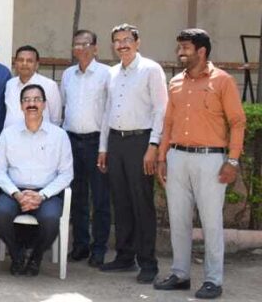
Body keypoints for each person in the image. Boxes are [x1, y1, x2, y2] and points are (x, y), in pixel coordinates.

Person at [154, 29, 246, 300]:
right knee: (178, 219)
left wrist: (232, 160)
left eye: (185, 48)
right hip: (177, 158)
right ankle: (180, 274)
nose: (180, 52)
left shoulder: (223, 81)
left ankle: (213, 280)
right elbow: (168, 123)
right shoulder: (175, 82)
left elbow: (237, 122)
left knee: (211, 222)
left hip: (211, 160)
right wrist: (162, 157)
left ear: (201, 51)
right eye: (179, 47)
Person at [97, 23, 168, 284]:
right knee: (121, 201)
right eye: (117, 40)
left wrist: (153, 146)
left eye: (127, 39)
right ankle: (124, 256)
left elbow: (161, 109)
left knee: (141, 203)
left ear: (137, 42)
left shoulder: (151, 69)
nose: (122, 45)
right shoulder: (112, 73)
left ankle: (148, 262)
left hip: (141, 142)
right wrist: (103, 147)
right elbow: (107, 111)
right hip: (116, 142)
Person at [0, 84, 74, 277]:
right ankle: (17, 255)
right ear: (21, 105)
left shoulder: (59, 135)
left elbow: (66, 174)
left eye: (37, 100)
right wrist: (17, 194)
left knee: (51, 219)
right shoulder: (8, 134)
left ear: (44, 104)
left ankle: (36, 257)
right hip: (14, 192)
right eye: (27, 100)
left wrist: (42, 195)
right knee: (0, 214)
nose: (32, 104)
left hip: (46, 193)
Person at [60, 29, 110, 267]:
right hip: (72, 141)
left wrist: (104, 147)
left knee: (100, 198)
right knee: (77, 197)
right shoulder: (68, 75)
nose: (80, 48)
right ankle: (80, 245)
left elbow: (109, 113)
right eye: (76, 44)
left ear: (96, 48)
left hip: (97, 142)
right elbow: (63, 106)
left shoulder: (106, 74)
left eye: (85, 44)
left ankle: (99, 248)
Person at [4, 45, 62, 129]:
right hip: (11, 136)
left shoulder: (50, 85)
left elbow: (55, 119)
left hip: (39, 136)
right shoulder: (10, 84)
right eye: (20, 60)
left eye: (29, 61)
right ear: (15, 63)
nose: (24, 64)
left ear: (37, 65)